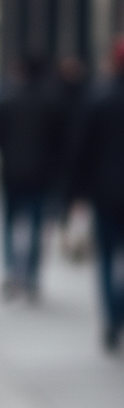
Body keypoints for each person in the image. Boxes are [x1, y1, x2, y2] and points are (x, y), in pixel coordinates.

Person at [0, 58, 61, 299]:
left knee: (9, 224)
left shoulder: (5, 102)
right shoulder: (50, 104)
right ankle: (31, 277)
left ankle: (11, 273)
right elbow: (58, 143)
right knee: (37, 226)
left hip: (11, 173)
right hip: (42, 174)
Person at [67, 39, 124, 349]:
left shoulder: (98, 99)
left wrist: (73, 194)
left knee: (106, 258)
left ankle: (111, 318)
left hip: (104, 193)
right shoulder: (97, 98)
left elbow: (80, 150)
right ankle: (119, 311)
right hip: (106, 191)